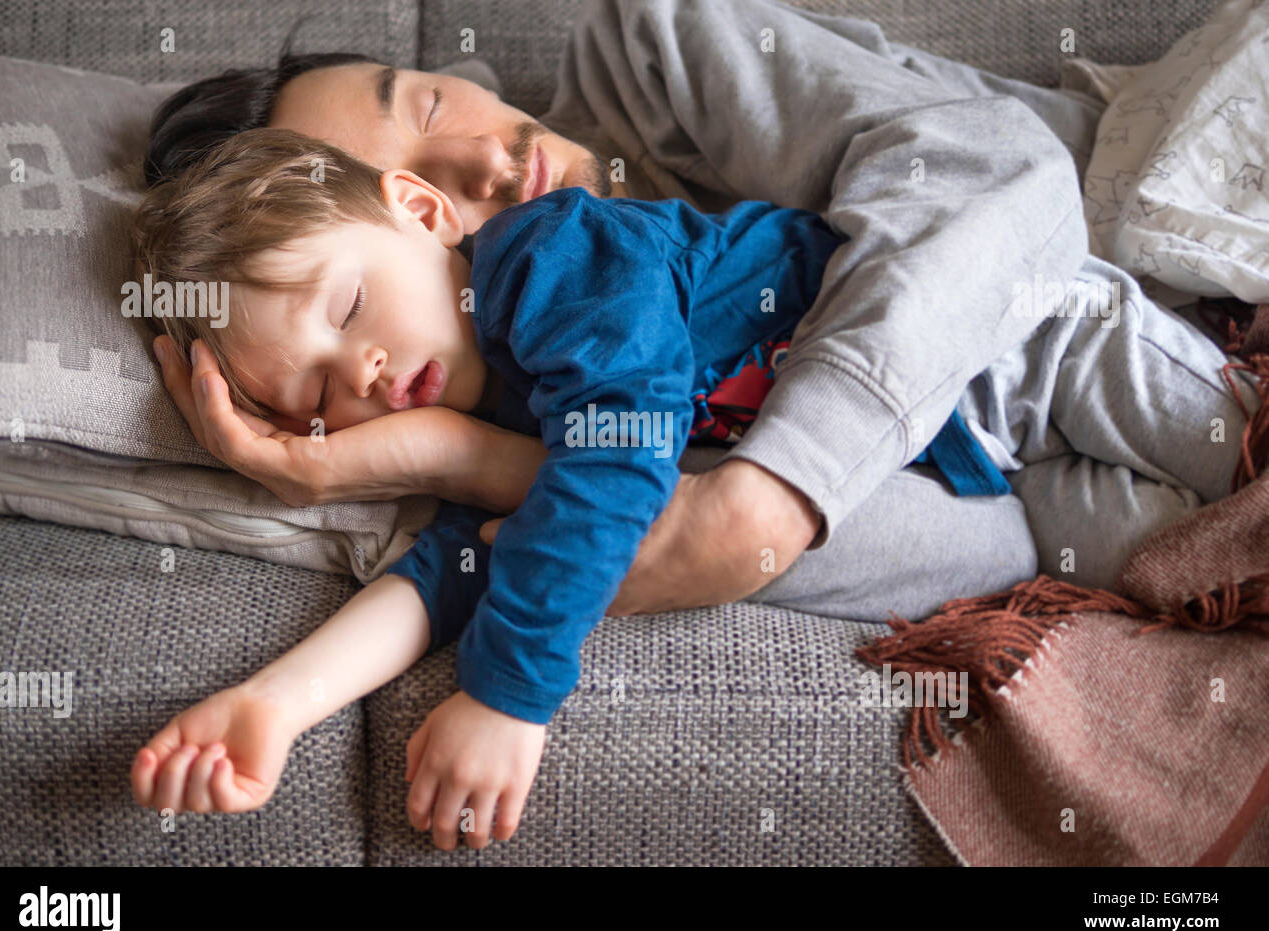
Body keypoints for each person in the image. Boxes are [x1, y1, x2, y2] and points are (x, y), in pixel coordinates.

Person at [127, 127, 1263, 851]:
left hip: (1012, 343)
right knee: (1185, 565)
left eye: (344, 313)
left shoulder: (549, 258)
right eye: (323, 394)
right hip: (974, 480)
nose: (362, 374)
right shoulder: (472, 425)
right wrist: (274, 704)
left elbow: (617, 453)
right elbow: (446, 570)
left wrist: (511, 692)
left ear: (423, 215)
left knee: (1243, 451)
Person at [143, 0, 1119, 623]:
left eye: (430, 109)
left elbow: (1001, 172)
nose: (486, 167)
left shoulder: (655, 48)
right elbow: (988, 544)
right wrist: (449, 456)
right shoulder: (493, 377)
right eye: (415, 191)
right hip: (1024, 471)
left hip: (1129, 274)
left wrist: (757, 501)